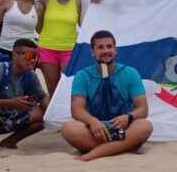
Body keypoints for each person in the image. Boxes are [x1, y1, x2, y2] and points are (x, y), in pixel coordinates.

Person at [61, 30, 153, 161]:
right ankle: (122, 147)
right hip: (95, 131)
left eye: (109, 46)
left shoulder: (130, 73)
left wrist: (128, 117)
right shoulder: (82, 75)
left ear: (115, 50)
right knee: (69, 128)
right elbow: (77, 110)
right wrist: (93, 122)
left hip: (122, 129)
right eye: (100, 47)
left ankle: (94, 153)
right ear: (92, 52)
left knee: (145, 126)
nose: (105, 51)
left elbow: (143, 109)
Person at [36, 0, 81, 96]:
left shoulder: (76, 2)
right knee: (52, 86)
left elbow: (84, 22)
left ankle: (69, 113)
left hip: (69, 48)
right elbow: (28, 1)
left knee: (69, 85)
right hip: (47, 48)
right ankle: (52, 115)